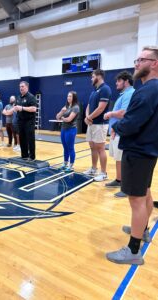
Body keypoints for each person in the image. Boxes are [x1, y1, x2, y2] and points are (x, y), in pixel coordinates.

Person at [106, 46, 158, 265]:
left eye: (141, 59)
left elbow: (132, 122)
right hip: (148, 150)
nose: (136, 63)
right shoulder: (152, 89)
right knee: (144, 193)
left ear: (154, 63)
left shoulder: (147, 91)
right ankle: (143, 230)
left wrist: (118, 127)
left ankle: (133, 250)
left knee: (136, 200)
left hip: (138, 151)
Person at [104, 71, 135, 197]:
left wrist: (110, 114)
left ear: (126, 81)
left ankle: (127, 187)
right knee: (118, 158)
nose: (116, 83)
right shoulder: (123, 94)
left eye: (118, 81)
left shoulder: (130, 93)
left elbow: (124, 113)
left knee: (124, 159)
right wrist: (113, 129)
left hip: (123, 132)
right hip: (117, 131)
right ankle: (119, 180)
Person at [83, 69, 112, 181]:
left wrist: (89, 117)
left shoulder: (105, 89)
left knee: (100, 148)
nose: (91, 78)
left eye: (93, 76)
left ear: (99, 76)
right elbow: (89, 106)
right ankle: (93, 169)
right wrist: (87, 117)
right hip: (91, 123)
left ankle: (103, 173)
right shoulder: (94, 91)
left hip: (100, 124)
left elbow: (101, 108)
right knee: (92, 148)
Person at [56, 91, 80, 172]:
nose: (68, 98)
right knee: (65, 147)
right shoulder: (66, 106)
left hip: (71, 129)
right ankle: (65, 163)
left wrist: (62, 118)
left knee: (70, 148)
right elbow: (57, 116)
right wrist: (62, 112)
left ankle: (71, 165)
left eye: (70, 96)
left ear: (74, 98)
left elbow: (69, 119)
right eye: (68, 96)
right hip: (63, 129)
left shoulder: (76, 107)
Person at [14, 81, 37, 161]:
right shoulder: (18, 97)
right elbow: (16, 107)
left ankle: (32, 157)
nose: (21, 88)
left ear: (27, 87)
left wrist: (22, 108)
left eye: (22, 86)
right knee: (22, 138)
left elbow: (34, 109)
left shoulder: (31, 97)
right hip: (20, 121)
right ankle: (24, 155)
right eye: (20, 86)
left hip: (29, 121)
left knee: (30, 139)